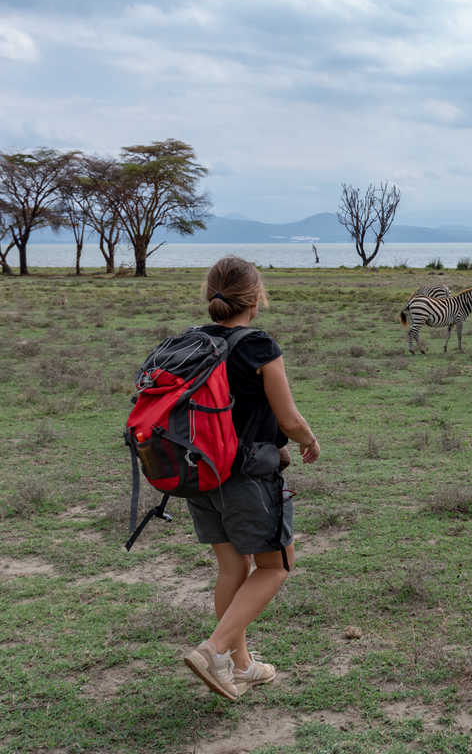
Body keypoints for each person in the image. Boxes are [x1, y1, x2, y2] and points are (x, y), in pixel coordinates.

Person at [182, 255, 320, 701]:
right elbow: (289, 417)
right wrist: (309, 440)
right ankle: (214, 650)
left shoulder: (191, 341)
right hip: (247, 475)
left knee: (232, 568)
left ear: (211, 296)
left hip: (199, 472)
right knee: (276, 566)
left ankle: (241, 668)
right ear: (256, 299)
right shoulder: (258, 345)